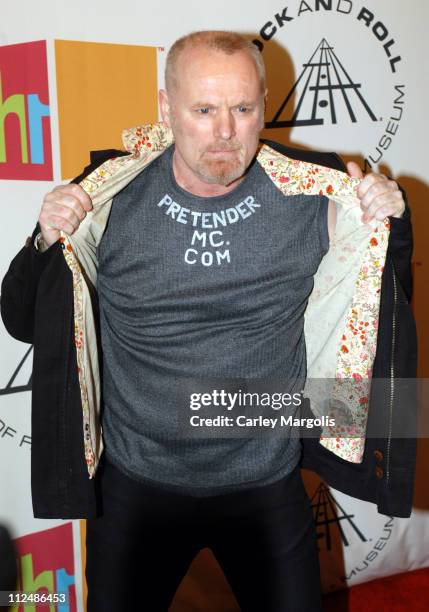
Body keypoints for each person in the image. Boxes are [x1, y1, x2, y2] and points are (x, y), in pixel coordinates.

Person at [1, 31, 416, 611]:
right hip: (136, 487)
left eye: (243, 109)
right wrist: (45, 240)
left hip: (265, 482)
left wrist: (389, 226)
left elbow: (378, 305)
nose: (225, 131)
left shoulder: (317, 193)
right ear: (166, 108)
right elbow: (23, 321)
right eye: (203, 110)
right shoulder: (106, 196)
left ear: (264, 104)